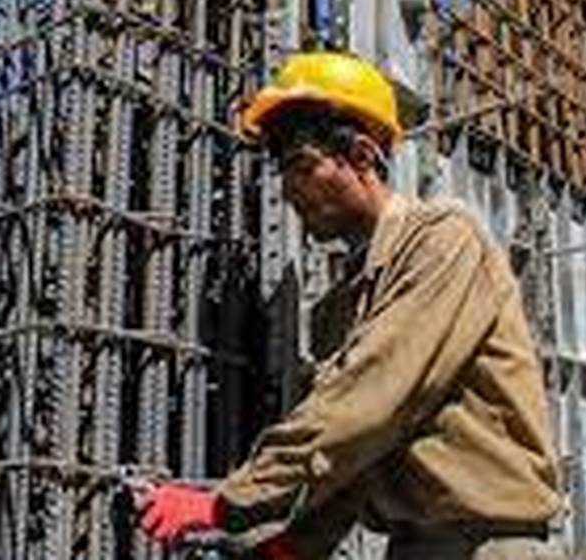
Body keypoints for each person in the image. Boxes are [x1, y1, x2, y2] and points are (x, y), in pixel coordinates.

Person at [136, 52, 561, 559]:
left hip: (489, 545)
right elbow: (357, 451)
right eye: (283, 172)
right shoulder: (341, 305)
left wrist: (228, 503)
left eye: (302, 166)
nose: (289, 191)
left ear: (361, 156)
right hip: (415, 547)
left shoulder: (444, 241)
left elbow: (372, 396)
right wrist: (293, 547)